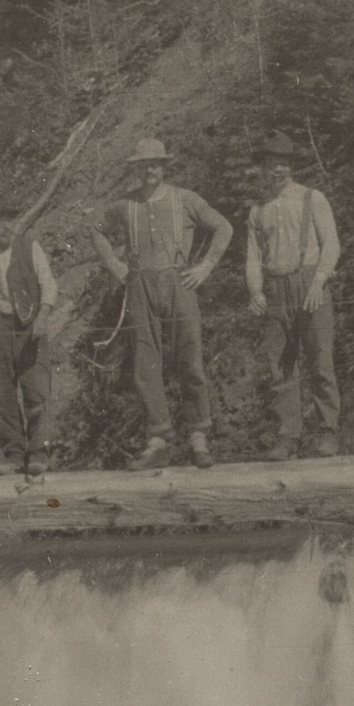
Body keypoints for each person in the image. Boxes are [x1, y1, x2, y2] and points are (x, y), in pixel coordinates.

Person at [91, 137, 234, 470]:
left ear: (165, 166)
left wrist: (205, 267)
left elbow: (223, 227)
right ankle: (158, 439)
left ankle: (198, 436)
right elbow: (96, 230)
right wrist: (116, 266)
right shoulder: (124, 205)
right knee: (145, 362)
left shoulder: (185, 199)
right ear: (135, 169)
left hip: (179, 281)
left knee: (190, 357)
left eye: (154, 164)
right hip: (140, 283)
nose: (149, 170)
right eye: (142, 166)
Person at [244, 132, 342, 459]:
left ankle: (328, 432)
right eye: (272, 164)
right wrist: (256, 291)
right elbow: (253, 257)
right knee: (280, 365)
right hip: (276, 288)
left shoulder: (312, 198)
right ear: (263, 167)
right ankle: (288, 436)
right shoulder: (258, 211)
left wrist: (319, 282)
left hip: (310, 283)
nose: (278, 170)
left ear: (291, 166)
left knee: (319, 358)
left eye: (284, 164)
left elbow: (332, 244)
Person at [0, 203, 62, 476]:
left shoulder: (30, 248)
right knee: (0, 396)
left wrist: (42, 316)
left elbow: (49, 284)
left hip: (30, 328)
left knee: (37, 391)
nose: (7, 228)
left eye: (10, 222)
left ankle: (39, 455)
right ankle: (16, 456)